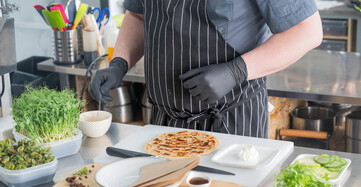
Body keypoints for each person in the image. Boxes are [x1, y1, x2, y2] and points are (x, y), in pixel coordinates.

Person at [88, 0, 322, 138]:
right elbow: (138, 16)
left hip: (231, 124)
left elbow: (307, 31)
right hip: (164, 123)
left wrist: (236, 71)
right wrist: (120, 62)